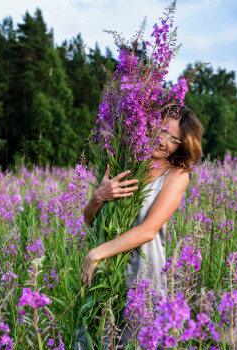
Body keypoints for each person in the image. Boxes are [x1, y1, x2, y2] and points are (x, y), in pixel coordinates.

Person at [78, 104, 202, 348]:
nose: (164, 142)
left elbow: (149, 230)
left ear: (182, 146)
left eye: (174, 139)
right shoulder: (126, 161)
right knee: (94, 339)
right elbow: (90, 219)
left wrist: (96, 253)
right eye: (162, 131)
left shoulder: (177, 175)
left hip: (142, 278)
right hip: (105, 275)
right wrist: (98, 197)